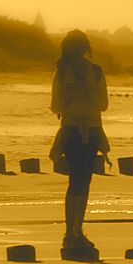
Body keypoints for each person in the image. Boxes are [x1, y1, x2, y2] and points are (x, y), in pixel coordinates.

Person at [49, 30, 111, 251]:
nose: (76, 53)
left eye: (79, 48)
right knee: (75, 180)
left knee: (84, 181)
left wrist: (86, 93)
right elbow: (55, 106)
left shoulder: (95, 71)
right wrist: (72, 98)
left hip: (92, 131)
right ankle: (70, 230)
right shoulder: (62, 73)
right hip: (71, 130)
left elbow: (103, 104)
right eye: (73, 49)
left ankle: (78, 228)